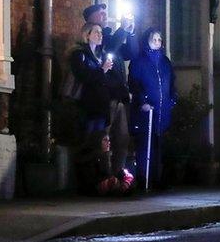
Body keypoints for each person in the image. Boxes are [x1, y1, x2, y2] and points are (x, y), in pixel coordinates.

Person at [69, 22, 133, 194]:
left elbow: (111, 79)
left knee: (111, 142)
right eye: (96, 32)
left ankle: (110, 178)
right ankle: (93, 182)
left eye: (100, 32)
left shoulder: (101, 55)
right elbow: (84, 76)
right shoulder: (79, 54)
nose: (100, 35)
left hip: (104, 106)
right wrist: (102, 71)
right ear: (87, 34)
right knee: (93, 144)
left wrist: (123, 93)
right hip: (90, 107)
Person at [128, 28, 177, 190]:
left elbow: (171, 82)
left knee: (160, 144)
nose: (157, 43)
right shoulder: (139, 61)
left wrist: (172, 99)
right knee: (146, 144)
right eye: (154, 40)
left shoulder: (165, 61)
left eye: (159, 40)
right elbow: (134, 83)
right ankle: (144, 178)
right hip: (146, 110)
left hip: (163, 109)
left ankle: (158, 178)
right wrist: (142, 101)